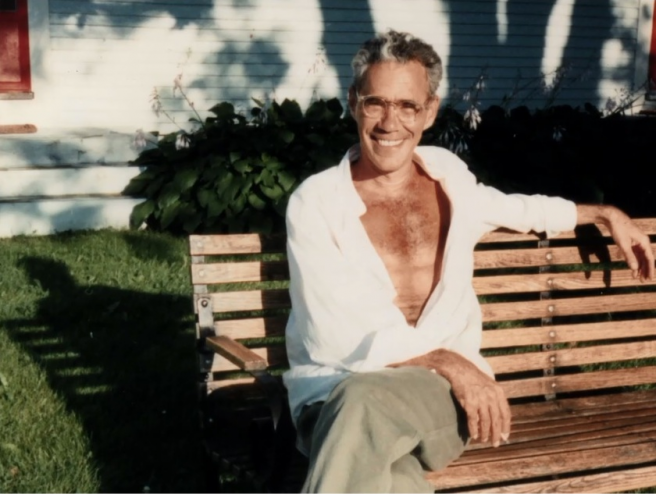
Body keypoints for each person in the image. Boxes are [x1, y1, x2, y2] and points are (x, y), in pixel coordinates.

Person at [282, 29, 654, 493]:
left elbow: (519, 209)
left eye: (407, 106)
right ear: (354, 102)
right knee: (393, 473)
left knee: (363, 410)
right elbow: (334, 333)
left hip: (434, 398)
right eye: (376, 103)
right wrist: (453, 363)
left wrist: (603, 213)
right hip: (334, 393)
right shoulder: (316, 203)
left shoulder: (450, 178)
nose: (389, 122)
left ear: (430, 111)